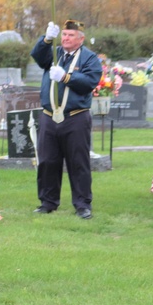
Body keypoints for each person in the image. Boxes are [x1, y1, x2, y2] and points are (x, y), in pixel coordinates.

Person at [30, 19, 102, 219]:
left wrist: (66, 77)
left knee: (78, 162)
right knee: (47, 161)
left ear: (80, 38)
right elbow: (38, 57)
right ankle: (48, 202)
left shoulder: (89, 58)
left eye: (70, 35)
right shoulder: (55, 54)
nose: (66, 38)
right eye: (63, 34)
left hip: (75, 117)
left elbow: (90, 81)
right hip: (49, 116)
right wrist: (46, 40)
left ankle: (82, 204)